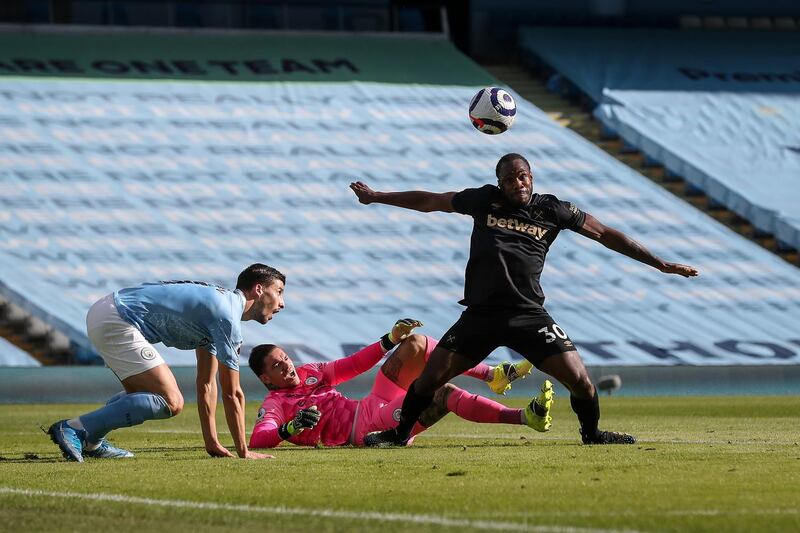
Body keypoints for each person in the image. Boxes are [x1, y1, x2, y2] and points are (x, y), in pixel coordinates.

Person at [349, 153, 699, 446]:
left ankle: (591, 434)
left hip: (528, 315)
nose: (520, 183)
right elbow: (431, 201)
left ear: (532, 178)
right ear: (499, 182)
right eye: (511, 178)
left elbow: (605, 233)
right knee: (428, 381)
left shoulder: (554, 210)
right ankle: (398, 434)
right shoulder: (483, 200)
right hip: (481, 316)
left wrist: (660, 264)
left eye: (524, 176)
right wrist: (377, 196)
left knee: (581, 381)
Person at [46, 263, 285, 462]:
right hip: (116, 318)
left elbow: (207, 385)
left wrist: (212, 442)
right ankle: (75, 428)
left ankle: (91, 439)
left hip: (108, 313)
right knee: (171, 401)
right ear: (258, 289)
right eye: (279, 291)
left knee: (142, 395)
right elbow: (233, 393)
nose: (282, 303)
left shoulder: (220, 311)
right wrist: (244, 452)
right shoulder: (226, 315)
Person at [248, 318, 550, 449]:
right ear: (265, 379)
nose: (287, 364)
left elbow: (351, 365)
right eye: (277, 365)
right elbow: (257, 440)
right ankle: (526, 417)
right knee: (441, 393)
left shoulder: (309, 372)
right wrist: (290, 428)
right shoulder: (275, 405)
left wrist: (390, 339)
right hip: (365, 428)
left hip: (371, 403)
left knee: (416, 343)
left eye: (285, 357)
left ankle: (492, 375)